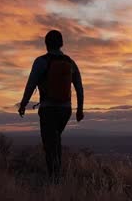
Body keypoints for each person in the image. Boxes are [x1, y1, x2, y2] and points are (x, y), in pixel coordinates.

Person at [18, 29, 84, 179]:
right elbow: (79, 88)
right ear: (61, 44)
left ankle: (54, 179)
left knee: (49, 145)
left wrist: (23, 105)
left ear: (46, 44)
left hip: (48, 109)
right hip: (65, 110)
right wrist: (79, 110)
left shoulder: (41, 61)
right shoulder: (70, 62)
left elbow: (30, 85)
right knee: (55, 140)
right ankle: (56, 175)